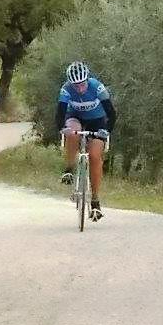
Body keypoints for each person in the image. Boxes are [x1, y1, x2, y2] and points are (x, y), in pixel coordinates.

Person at [56, 61, 117, 221]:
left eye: (82, 84)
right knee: (72, 132)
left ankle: (95, 201)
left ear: (87, 80)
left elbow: (111, 113)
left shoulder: (97, 87)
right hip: (75, 117)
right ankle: (69, 169)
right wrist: (62, 128)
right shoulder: (66, 89)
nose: (80, 89)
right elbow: (60, 113)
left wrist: (107, 130)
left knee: (95, 156)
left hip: (97, 121)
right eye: (75, 85)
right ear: (70, 83)